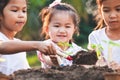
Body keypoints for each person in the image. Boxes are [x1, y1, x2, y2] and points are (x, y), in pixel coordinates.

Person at [0, 0, 56, 75]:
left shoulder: (19, 45)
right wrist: (37, 45)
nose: (21, 15)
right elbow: (2, 47)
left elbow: (27, 74)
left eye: (24, 11)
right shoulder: (4, 40)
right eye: (15, 10)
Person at [37, 0, 85, 69]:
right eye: (57, 26)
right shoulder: (46, 46)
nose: (62, 31)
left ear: (74, 29)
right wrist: (54, 61)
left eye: (67, 26)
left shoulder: (78, 51)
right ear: (47, 29)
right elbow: (47, 59)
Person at [88, 0, 120, 70]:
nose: (112, 16)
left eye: (118, 9)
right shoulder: (95, 37)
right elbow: (93, 62)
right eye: (106, 10)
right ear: (100, 12)